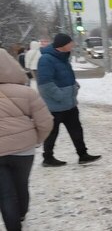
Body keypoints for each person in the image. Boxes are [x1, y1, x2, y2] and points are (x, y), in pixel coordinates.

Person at [0, 49, 53, 231]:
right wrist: (36, 140)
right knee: (21, 185)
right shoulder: (26, 92)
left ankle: (13, 225)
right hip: (24, 150)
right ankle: (21, 214)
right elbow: (45, 122)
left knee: (5, 194)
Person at [37, 33, 101, 167]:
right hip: (55, 107)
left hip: (70, 104)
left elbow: (67, 77)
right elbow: (45, 84)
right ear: (62, 45)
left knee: (77, 130)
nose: (73, 45)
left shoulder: (63, 58)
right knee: (52, 133)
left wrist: (75, 86)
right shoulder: (46, 59)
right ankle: (48, 158)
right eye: (70, 43)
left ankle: (82, 155)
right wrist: (61, 96)